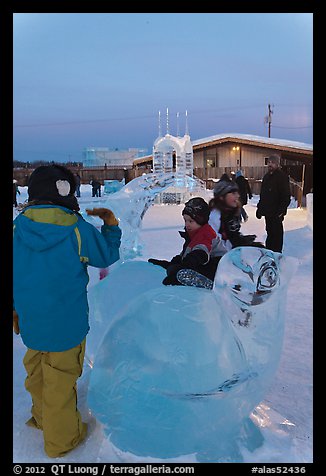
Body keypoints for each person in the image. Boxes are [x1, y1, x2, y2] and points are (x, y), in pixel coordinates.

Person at [13, 164, 121, 458]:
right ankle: (61, 440)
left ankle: (43, 417)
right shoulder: (76, 228)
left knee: (36, 370)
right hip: (66, 323)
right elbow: (106, 256)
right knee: (61, 379)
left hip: (31, 321)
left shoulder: (16, 227)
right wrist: (111, 227)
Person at [148, 197, 220, 287]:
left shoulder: (206, 233)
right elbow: (185, 256)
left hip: (218, 269)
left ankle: (204, 281)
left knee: (179, 269)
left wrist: (190, 261)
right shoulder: (192, 235)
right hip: (203, 264)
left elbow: (202, 252)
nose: (187, 224)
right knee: (174, 268)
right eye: (185, 220)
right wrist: (169, 264)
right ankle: (187, 275)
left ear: (201, 221)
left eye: (191, 221)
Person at [209, 179, 263, 255]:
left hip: (231, 254)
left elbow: (232, 235)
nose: (238, 196)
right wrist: (238, 246)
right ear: (221, 197)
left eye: (237, 193)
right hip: (221, 259)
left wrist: (242, 240)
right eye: (233, 193)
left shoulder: (231, 212)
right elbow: (215, 243)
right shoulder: (215, 216)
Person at [256, 154, 291, 253]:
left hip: (276, 214)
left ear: (277, 164)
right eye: (269, 162)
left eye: (273, 163)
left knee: (277, 237)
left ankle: (277, 256)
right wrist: (260, 208)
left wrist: (280, 212)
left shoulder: (282, 177)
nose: (270, 164)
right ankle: (269, 254)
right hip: (268, 213)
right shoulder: (266, 177)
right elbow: (263, 196)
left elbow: (286, 197)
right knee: (269, 234)